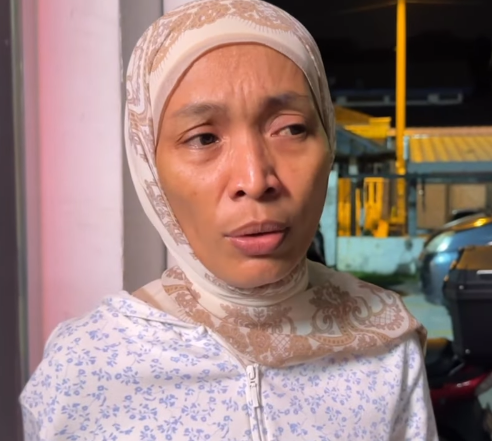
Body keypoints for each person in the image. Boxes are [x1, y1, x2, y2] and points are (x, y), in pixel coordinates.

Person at [20, 0, 437, 439]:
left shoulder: (385, 343)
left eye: (291, 128)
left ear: (328, 140)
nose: (255, 181)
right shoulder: (84, 371)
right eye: (203, 138)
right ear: (149, 165)